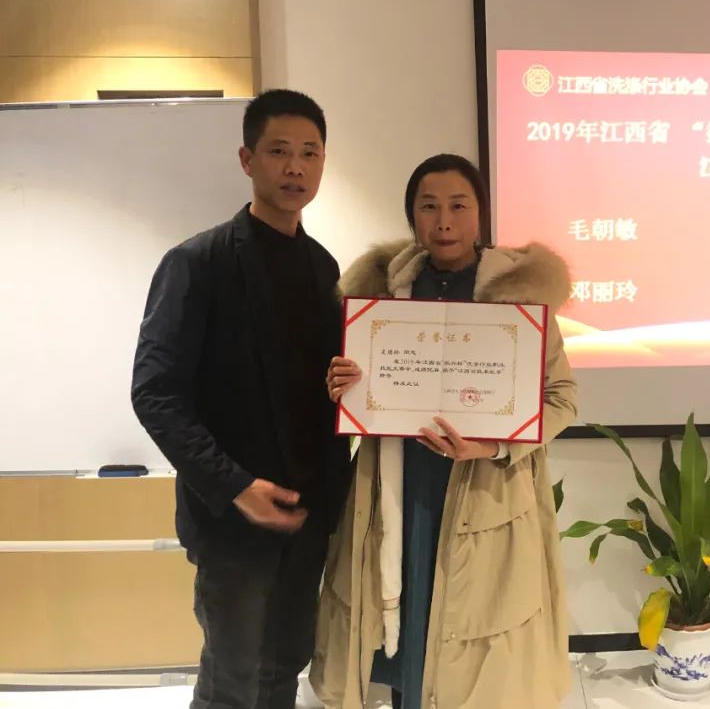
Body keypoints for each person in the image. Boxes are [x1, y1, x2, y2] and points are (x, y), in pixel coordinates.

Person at [310, 154, 578, 709]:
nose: (444, 221)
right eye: (428, 207)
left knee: (473, 640)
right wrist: (346, 384)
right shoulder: (382, 292)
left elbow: (562, 399)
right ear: (412, 216)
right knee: (403, 616)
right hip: (401, 484)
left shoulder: (519, 298)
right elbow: (367, 387)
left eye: (459, 205)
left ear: (480, 212)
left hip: (485, 491)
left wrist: (493, 444)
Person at [131, 89, 351, 709]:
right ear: (247, 159)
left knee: (283, 669)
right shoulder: (197, 263)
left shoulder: (325, 269)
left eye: (310, 153)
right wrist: (234, 485)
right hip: (233, 519)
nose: (295, 167)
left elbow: (325, 391)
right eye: (278, 151)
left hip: (309, 513)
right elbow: (155, 393)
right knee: (232, 680)